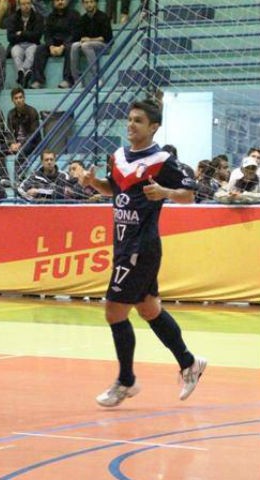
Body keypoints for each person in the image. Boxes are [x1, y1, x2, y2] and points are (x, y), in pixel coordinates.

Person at [79, 98, 207, 407]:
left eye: (138, 120)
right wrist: (93, 182)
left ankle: (126, 381)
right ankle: (189, 363)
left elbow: (189, 195)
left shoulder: (162, 160)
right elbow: (116, 189)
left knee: (114, 311)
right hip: (124, 244)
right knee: (149, 309)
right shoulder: (118, 156)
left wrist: (165, 193)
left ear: (153, 127)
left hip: (141, 247)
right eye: (130, 119)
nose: (131, 124)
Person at [31, 0, 80, 89]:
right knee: (40, 49)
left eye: (62, 0)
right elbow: (47, 34)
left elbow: (75, 34)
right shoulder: (50, 16)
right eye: (57, 0)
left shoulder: (75, 15)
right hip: (53, 45)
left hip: (68, 43)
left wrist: (63, 46)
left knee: (71, 48)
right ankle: (38, 80)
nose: (60, 2)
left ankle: (68, 80)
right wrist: (51, 46)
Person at [70, 0, 113, 87]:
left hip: (104, 45)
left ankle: (97, 77)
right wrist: (81, 39)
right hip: (89, 45)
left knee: (86, 45)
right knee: (74, 46)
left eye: (91, 2)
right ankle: (77, 79)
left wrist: (90, 39)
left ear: (95, 3)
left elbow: (106, 38)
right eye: (86, 2)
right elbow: (76, 37)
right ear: (83, 4)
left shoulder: (103, 17)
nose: (89, 5)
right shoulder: (82, 19)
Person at [7, 0, 44, 89]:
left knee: (31, 53)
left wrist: (22, 34)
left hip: (32, 44)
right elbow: (10, 37)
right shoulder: (13, 18)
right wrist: (28, 34)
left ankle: (22, 72)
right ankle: (23, 72)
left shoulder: (38, 17)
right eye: (23, 4)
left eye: (28, 3)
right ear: (19, 5)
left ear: (31, 4)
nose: (26, 6)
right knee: (15, 53)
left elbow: (37, 36)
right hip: (17, 44)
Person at [7, 87, 41, 180]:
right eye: (16, 98)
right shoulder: (10, 114)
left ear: (24, 98)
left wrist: (20, 144)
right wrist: (11, 143)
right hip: (16, 143)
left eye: (20, 97)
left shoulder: (32, 111)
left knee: (22, 152)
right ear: (12, 100)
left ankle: (18, 179)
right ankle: (4, 178)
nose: (19, 100)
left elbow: (34, 133)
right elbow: (9, 131)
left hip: (31, 143)